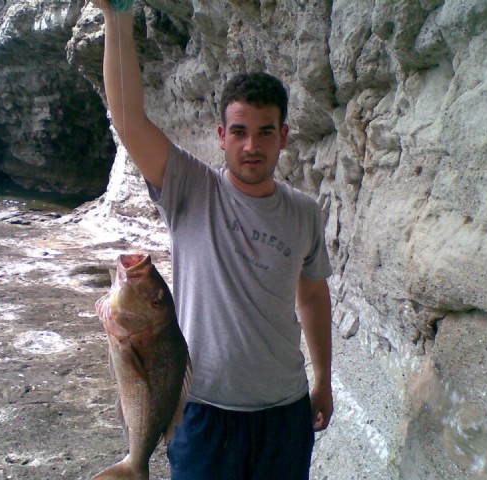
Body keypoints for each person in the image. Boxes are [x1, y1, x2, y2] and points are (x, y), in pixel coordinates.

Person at [91, 2, 333, 479]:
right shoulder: (190, 189)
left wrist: (322, 378)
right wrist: (117, 17)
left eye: (265, 132)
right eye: (239, 132)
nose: (251, 146)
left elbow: (312, 295)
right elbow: (129, 119)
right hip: (202, 410)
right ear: (221, 136)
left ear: (283, 136)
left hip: (285, 412)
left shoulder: (304, 212)